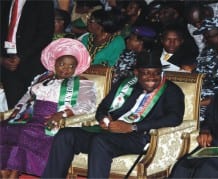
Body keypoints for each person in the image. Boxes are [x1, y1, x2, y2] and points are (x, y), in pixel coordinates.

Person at [42, 51, 185, 178]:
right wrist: (103, 119)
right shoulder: (126, 84)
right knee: (65, 134)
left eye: (156, 73)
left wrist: (133, 127)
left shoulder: (171, 90)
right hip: (110, 132)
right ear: (136, 73)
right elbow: (103, 107)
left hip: (139, 137)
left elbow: (175, 118)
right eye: (146, 72)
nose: (152, 77)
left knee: (100, 141)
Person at [0, 38, 97, 178]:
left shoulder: (81, 83)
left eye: (71, 66)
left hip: (51, 120)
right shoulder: (43, 77)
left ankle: (12, 173)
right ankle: (6, 172)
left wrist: (62, 114)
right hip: (29, 116)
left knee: (24, 133)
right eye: (62, 64)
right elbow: (28, 96)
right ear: (54, 63)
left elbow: (88, 105)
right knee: (4, 128)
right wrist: (17, 109)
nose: (66, 69)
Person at [0, 0, 54, 109]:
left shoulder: (42, 2)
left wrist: (22, 56)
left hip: (31, 63)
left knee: (32, 108)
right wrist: (1, 59)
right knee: (14, 108)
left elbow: (45, 34)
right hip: (7, 62)